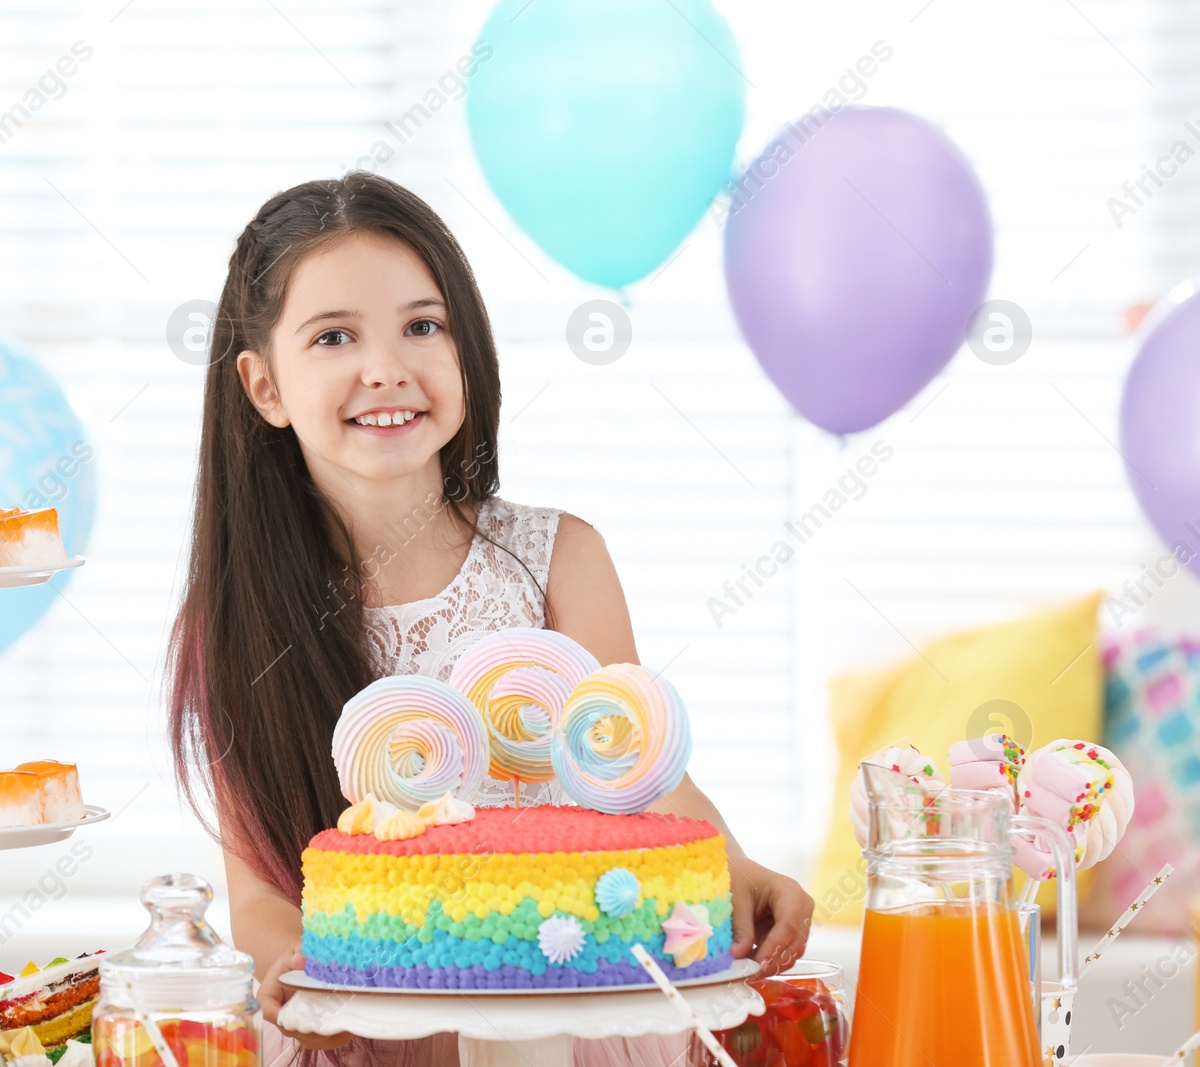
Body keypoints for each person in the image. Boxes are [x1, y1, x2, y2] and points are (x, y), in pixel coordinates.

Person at [167, 172, 813, 1065]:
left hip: (571, 1021)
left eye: (422, 326)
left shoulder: (561, 560)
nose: (385, 366)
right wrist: (291, 971)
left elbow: (642, 775)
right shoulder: (239, 620)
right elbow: (261, 898)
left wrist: (732, 866)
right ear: (264, 385)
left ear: (467, 350)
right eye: (334, 336)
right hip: (368, 1034)